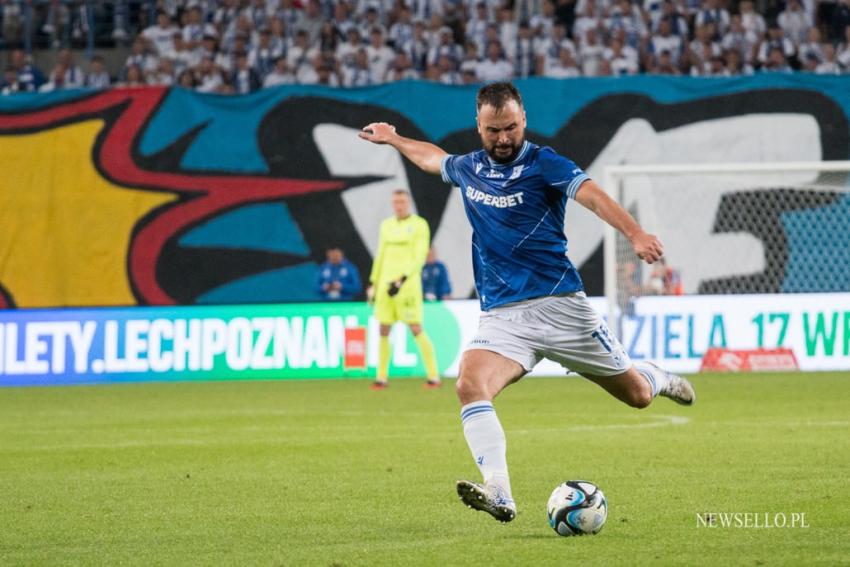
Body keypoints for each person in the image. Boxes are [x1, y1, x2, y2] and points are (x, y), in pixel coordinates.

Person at [358, 82, 695, 523]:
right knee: (469, 384)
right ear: (478, 126)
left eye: (511, 128)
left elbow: (592, 195)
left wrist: (634, 233)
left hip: (561, 307)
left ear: (524, 121)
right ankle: (499, 490)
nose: (503, 138)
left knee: (637, 396)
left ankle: (657, 376)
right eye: (494, 130)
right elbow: (432, 158)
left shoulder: (543, 163)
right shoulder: (469, 168)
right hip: (502, 316)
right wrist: (394, 139)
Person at [367, 190, 441, 390]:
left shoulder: (419, 225)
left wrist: (403, 277)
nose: (399, 205)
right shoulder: (386, 225)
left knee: (415, 328)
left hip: (407, 286)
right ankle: (381, 377)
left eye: (402, 201)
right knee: (383, 328)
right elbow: (381, 254)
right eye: (396, 202)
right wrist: (374, 282)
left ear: (408, 203)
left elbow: (419, 256)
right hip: (384, 284)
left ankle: (433, 376)